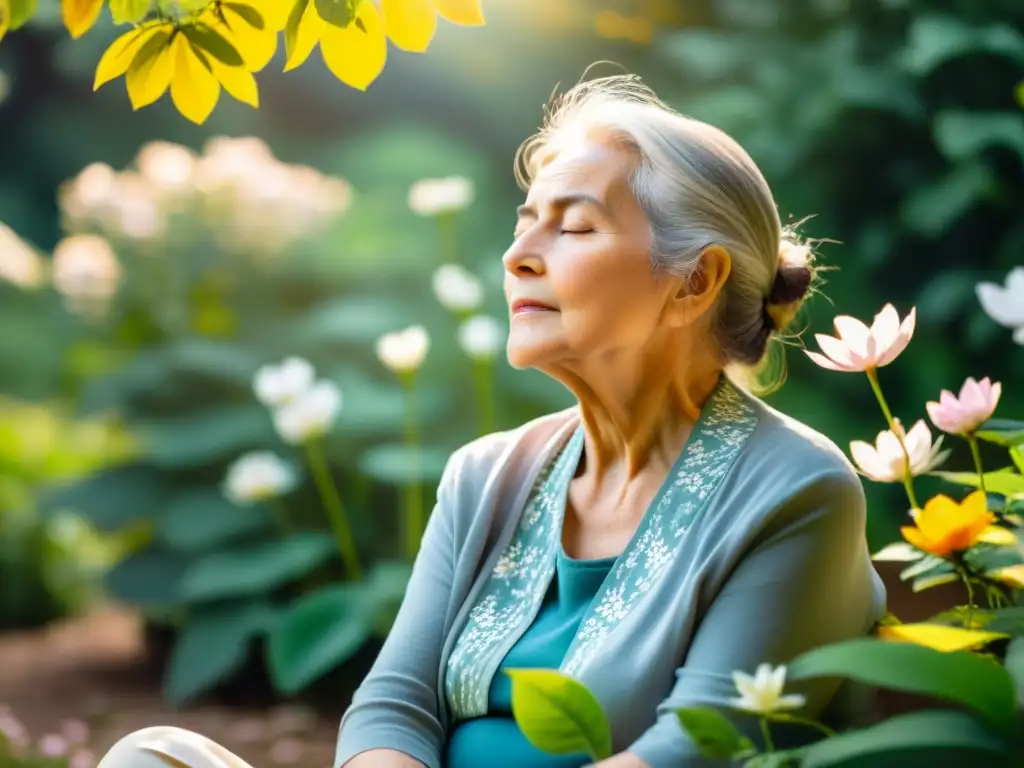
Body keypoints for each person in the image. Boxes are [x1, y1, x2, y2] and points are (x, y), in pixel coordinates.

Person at [97, 73, 885, 768]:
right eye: (526, 220)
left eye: (573, 226)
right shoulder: (486, 474)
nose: (519, 256)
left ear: (694, 282)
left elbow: (696, 749)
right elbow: (393, 705)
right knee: (150, 756)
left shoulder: (796, 490)